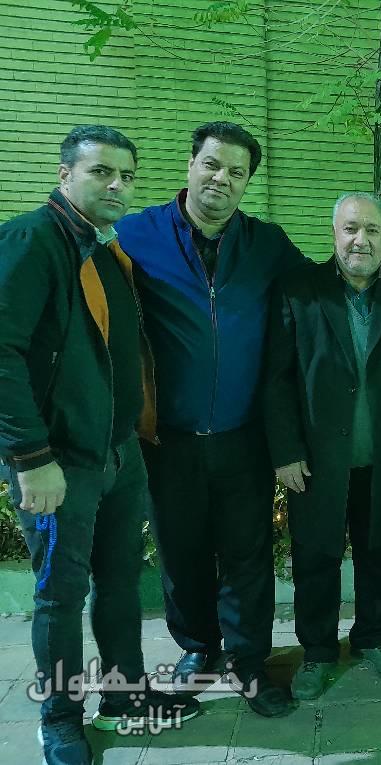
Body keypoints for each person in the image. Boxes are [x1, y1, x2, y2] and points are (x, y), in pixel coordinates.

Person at [0, 125, 198, 765]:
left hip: (118, 455)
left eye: (126, 176)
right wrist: (31, 458)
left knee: (118, 583)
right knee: (60, 596)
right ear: (65, 175)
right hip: (60, 463)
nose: (117, 185)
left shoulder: (105, 251)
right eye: (101, 172)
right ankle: (59, 718)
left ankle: (123, 696)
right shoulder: (33, 241)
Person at [116, 122, 306, 717]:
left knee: (248, 554)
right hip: (168, 438)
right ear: (191, 164)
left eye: (236, 172)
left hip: (243, 437)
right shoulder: (136, 234)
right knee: (181, 551)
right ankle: (199, 646)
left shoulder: (266, 243)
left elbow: (324, 285)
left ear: (247, 183)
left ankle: (249, 661)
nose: (221, 178)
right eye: (212, 164)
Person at [264, 192, 381, 699]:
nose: (361, 239)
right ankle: (318, 651)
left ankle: (372, 638)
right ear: (334, 233)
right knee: (315, 556)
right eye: (350, 228)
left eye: (372, 230)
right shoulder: (299, 290)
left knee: (380, 551)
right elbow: (276, 378)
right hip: (317, 461)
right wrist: (286, 452)